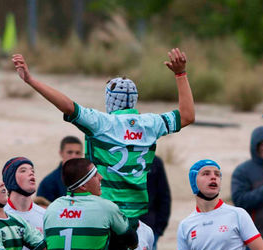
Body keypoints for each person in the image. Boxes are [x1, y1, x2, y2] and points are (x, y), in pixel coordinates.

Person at [13, 48, 195, 218]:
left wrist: (31, 80)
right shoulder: (151, 123)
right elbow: (187, 115)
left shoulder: (101, 123)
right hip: (136, 212)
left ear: (109, 99)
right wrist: (181, 74)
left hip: (102, 210)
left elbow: (68, 106)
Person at [36, 136, 83, 205]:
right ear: (61, 153)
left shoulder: (89, 180)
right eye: (70, 152)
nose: (74, 156)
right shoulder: (48, 183)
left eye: (77, 153)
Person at [141, 155, 172, 250]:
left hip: (150, 227)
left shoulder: (155, 162)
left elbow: (164, 195)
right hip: (123, 228)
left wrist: (159, 229)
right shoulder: (121, 158)